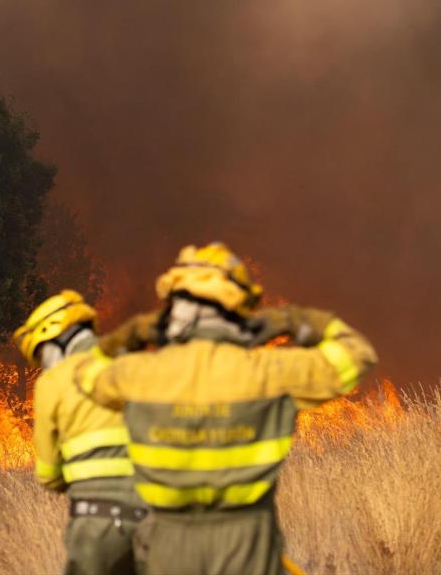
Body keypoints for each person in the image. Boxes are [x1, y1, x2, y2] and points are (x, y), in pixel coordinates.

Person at [75, 243, 378, 575]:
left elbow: (85, 373)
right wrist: (295, 321)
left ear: (173, 310)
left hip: (168, 548)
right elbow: (357, 355)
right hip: (247, 546)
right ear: (239, 307)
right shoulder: (270, 371)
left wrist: (131, 334)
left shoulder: (141, 375)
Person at [13, 290, 146, 575]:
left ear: (56, 336)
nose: (44, 365)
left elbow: (48, 474)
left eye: (42, 354)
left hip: (97, 523)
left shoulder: (53, 382)